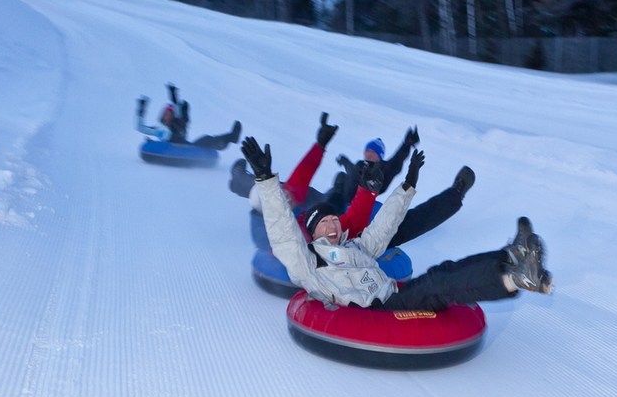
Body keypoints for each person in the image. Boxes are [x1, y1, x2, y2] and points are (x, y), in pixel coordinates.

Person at [241, 136, 553, 311]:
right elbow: (283, 234)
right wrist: (267, 181)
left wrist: (407, 186)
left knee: (443, 270)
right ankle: (514, 280)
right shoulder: (308, 262)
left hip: (390, 293)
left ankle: (511, 257)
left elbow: (382, 228)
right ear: (311, 233)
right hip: (376, 308)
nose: (334, 224)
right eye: (325, 222)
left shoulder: (354, 246)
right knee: (437, 285)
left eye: (334, 218)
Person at [232, 115, 476, 249]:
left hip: (334, 212)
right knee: (327, 197)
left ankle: (454, 195)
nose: (288, 195)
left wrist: (320, 146)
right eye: (282, 198)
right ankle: (239, 179)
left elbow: (298, 180)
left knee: (325, 197)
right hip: (328, 224)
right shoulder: (278, 233)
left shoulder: (297, 206)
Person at [136, 84, 241, 150]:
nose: (167, 115)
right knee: (206, 140)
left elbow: (178, 111)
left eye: (169, 113)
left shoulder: (177, 123)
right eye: (165, 113)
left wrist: (173, 96)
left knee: (206, 139)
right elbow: (140, 128)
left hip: (186, 148)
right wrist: (141, 109)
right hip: (170, 149)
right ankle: (228, 139)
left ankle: (231, 137)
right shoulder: (158, 129)